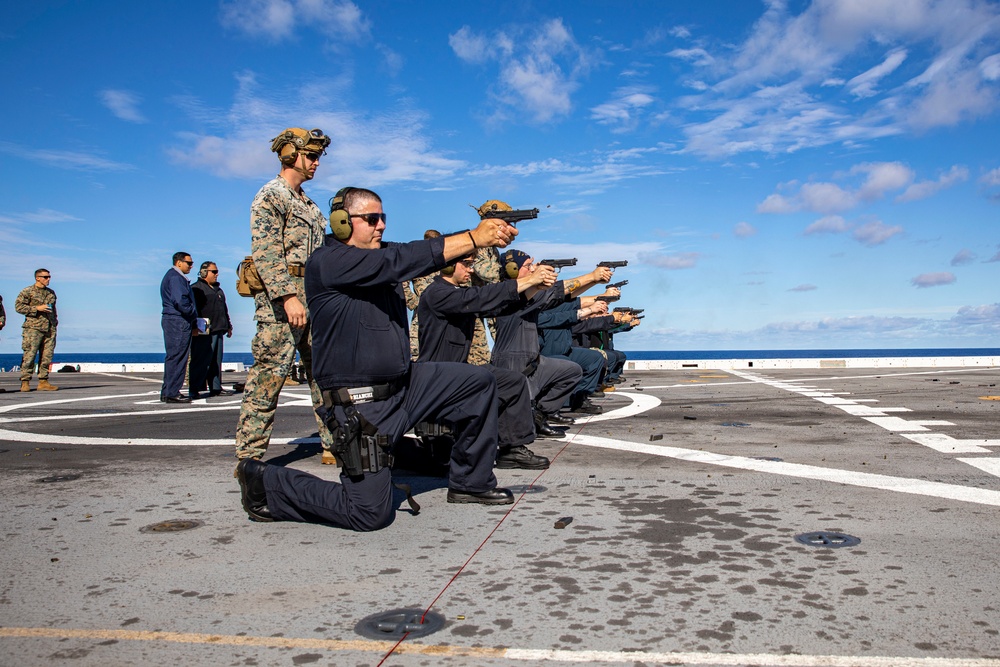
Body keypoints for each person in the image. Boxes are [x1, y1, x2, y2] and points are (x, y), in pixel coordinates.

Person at [234, 187, 519, 530]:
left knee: (478, 382)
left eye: (383, 217)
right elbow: (397, 262)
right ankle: (265, 483)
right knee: (369, 514)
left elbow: (418, 254)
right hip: (362, 405)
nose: (381, 225)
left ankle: (470, 482)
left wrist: (483, 240)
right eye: (371, 219)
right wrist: (474, 236)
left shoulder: (378, 254)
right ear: (342, 223)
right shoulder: (330, 262)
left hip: (405, 386)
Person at [235, 127, 336, 465]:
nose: (316, 162)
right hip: (283, 303)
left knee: (324, 375)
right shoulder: (271, 195)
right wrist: (286, 296)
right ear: (290, 155)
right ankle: (250, 458)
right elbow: (265, 253)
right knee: (269, 377)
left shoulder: (309, 204)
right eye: (311, 156)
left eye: (319, 156)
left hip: (314, 299)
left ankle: (332, 444)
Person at [417, 251, 559, 468]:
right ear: (447, 266)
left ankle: (512, 449)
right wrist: (530, 279)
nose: (471, 269)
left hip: (457, 371)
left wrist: (534, 289)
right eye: (465, 264)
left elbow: (497, 306)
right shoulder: (437, 293)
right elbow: (480, 298)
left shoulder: (457, 293)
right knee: (487, 384)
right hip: (439, 374)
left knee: (512, 382)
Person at [491, 251, 612, 431]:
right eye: (528, 265)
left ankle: (540, 414)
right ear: (512, 270)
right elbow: (559, 291)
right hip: (512, 362)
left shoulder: (529, 294)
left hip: (530, 359)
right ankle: (517, 442)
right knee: (515, 417)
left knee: (569, 371)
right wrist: (592, 277)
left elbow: (562, 296)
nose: (533, 268)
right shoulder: (512, 295)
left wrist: (594, 281)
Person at [190, 261, 234, 397]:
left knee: (216, 361)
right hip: (203, 332)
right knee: (200, 360)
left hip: (219, 329)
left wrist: (229, 326)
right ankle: (195, 388)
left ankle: (215, 387)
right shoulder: (196, 289)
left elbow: (224, 310)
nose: (216, 274)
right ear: (204, 272)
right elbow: (192, 310)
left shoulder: (219, 290)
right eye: (213, 272)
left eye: (216, 271)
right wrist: (193, 327)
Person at [160, 252, 197, 403]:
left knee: (173, 356)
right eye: (189, 263)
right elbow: (180, 301)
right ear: (179, 262)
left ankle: (168, 391)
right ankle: (172, 392)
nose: (191, 266)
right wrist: (193, 312)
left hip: (173, 319)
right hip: (178, 320)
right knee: (178, 357)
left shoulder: (172, 276)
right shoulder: (176, 278)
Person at [15, 269, 59, 392]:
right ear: (37, 278)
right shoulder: (27, 291)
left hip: (49, 328)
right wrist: (36, 308)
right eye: (45, 277)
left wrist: (55, 322)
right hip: (33, 328)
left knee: (47, 356)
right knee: (30, 355)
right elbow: (18, 307)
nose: (48, 279)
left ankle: (43, 381)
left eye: (49, 277)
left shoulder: (51, 293)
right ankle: (25, 381)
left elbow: (53, 310)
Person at [401, 229, 441, 360]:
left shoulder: (442, 262)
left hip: (441, 312)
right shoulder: (418, 260)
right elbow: (402, 280)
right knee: (417, 355)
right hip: (421, 312)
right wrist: (413, 302)